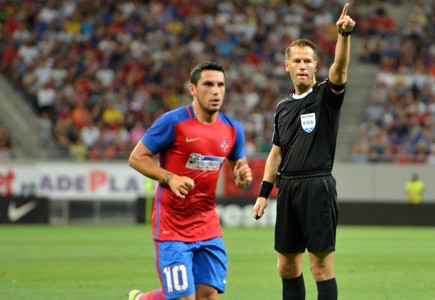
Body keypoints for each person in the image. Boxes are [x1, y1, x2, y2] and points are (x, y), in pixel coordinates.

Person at [252, 4, 355, 300]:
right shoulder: (282, 108)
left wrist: (343, 35)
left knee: (320, 267)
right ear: (287, 66)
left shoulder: (325, 97)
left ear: (315, 67)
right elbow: (276, 153)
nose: (302, 66)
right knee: (286, 266)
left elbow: (341, 68)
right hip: (288, 189)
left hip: (317, 185)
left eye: (308, 61)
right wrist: (263, 192)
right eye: (296, 60)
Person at [128, 61, 253, 300]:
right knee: (185, 298)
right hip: (172, 225)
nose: (215, 91)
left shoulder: (232, 129)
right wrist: (170, 177)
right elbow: (136, 158)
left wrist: (242, 178)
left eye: (220, 85)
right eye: (208, 84)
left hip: (207, 224)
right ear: (193, 89)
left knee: (207, 295)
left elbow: (240, 170)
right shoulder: (172, 122)